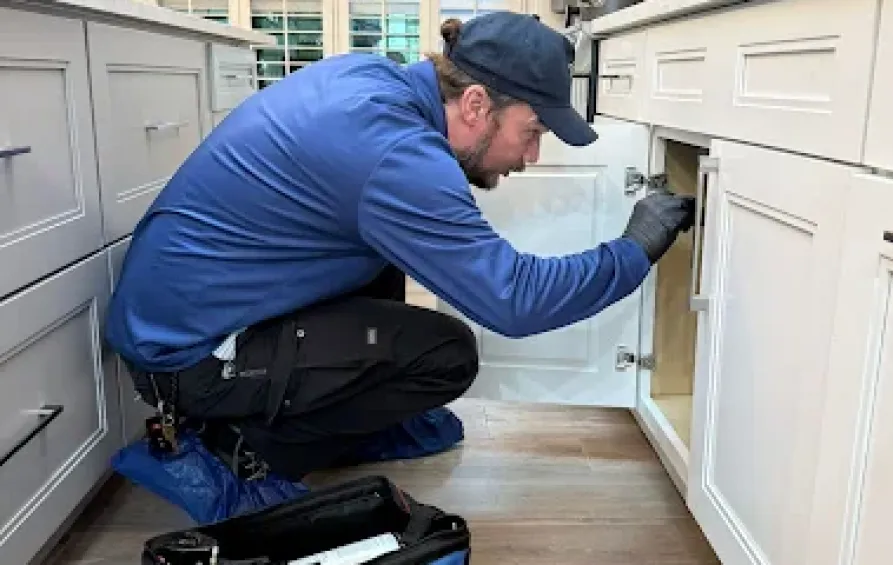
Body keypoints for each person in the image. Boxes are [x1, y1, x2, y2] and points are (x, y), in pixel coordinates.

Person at [105, 12, 695, 481]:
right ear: (475, 104)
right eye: (533, 133)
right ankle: (244, 450)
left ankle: (313, 419)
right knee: (447, 355)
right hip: (191, 357)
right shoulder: (397, 158)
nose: (531, 157)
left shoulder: (374, 79)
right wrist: (635, 246)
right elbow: (515, 302)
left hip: (184, 312)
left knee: (387, 260)